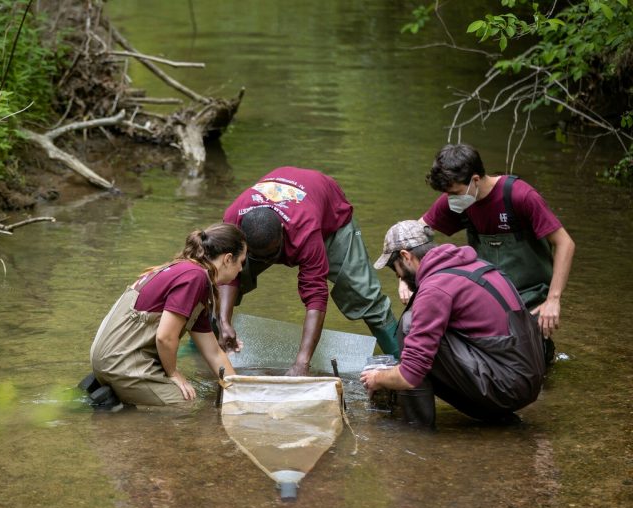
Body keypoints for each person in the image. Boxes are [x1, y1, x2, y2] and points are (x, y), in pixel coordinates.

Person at [362, 220, 546, 428]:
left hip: (507, 386)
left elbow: (411, 374)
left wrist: (378, 378)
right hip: (527, 378)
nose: (398, 276)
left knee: (409, 325)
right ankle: (497, 416)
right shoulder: (478, 265)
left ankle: (415, 430)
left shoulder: (436, 287)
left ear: (406, 256)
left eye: (394, 268)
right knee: (421, 337)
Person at [218, 166, 399, 376]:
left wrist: (302, 363)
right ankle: (215, 338)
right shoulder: (233, 220)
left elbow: (316, 296)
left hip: (329, 218)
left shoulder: (306, 230)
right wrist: (224, 321)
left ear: (284, 236)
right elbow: (225, 273)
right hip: (266, 231)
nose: (267, 262)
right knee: (220, 274)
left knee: (364, 294)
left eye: (272, 255)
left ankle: (405, 362)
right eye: (257, 257)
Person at [401, 144, 575, 358]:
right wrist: (406, 276)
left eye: (454, 192)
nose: (450, 198)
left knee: (526, 357)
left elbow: (565, 243)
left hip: (530, 295)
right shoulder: (459, 199)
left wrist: (553, 299)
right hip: (488, 293)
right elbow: (415, 234)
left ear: (474, 180)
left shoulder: (520, 196)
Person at [89, 223, 246, 406]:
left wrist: (240, 391)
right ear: (228, 259)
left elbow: (213, 353)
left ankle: (112, 401)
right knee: (190, 407)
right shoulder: (195, 277)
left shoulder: (184, 270)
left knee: (196, 392)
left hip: (108, 358)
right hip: (121, 364)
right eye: (241, 262)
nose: (241, 270)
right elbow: (165, 337)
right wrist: (173, 373)